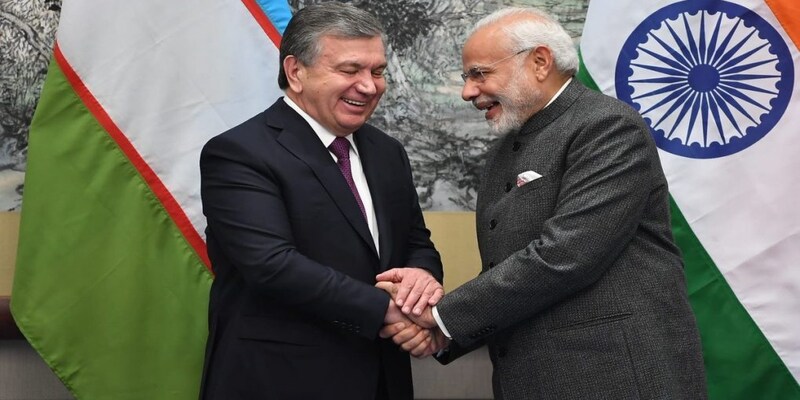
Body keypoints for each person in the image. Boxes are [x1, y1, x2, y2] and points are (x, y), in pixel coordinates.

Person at [378, 7, 708, 399]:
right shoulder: (503, 149)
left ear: (539, 62)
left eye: (479, 74)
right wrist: (448, 335)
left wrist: (441, 317)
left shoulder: (608, 126)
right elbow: (505, 268)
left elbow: (566, 254)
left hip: (613, 378)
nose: (468, 92)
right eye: (467, 77)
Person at [198, 3, 443, 399]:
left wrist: (421, 282)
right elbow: (272, 265)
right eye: (350, 70)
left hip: (383, 378)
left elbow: (415, 241)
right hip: (280, 380)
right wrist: (389, 310)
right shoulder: (239, 152)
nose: (369, 86)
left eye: (377, 71)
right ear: (296, 71)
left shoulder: (387, 152)